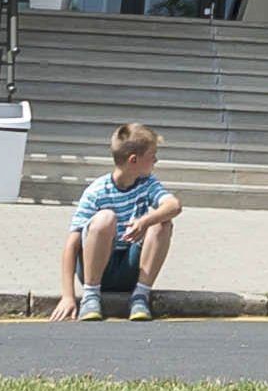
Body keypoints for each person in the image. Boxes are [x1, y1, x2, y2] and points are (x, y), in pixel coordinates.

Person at [58, 122, 183, 319]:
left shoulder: (147, 184)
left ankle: (140, 296)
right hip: (98, 271)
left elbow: (174, 206)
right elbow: (71, 245)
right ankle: (91, 297)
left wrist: (145, 221)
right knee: (106, 218)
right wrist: (67, 296)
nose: (156, 160)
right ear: (134, 160)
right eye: (152, 156)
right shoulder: (97, 191)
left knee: (162, 221)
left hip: (130, 271)